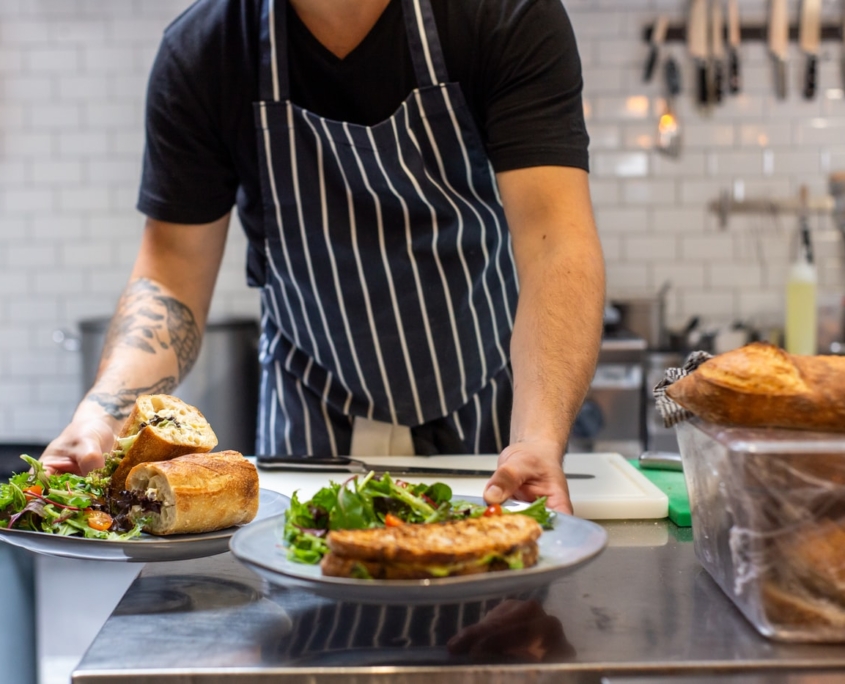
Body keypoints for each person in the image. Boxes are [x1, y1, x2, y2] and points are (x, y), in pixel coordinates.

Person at [40, 0, 604, 514]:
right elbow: (171, 274)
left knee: (491, 622)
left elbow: (556, 242)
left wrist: (535, 438)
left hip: (488, 426)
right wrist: (103, 415)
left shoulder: (502, 15)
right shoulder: (205, 51)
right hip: (305, 428)